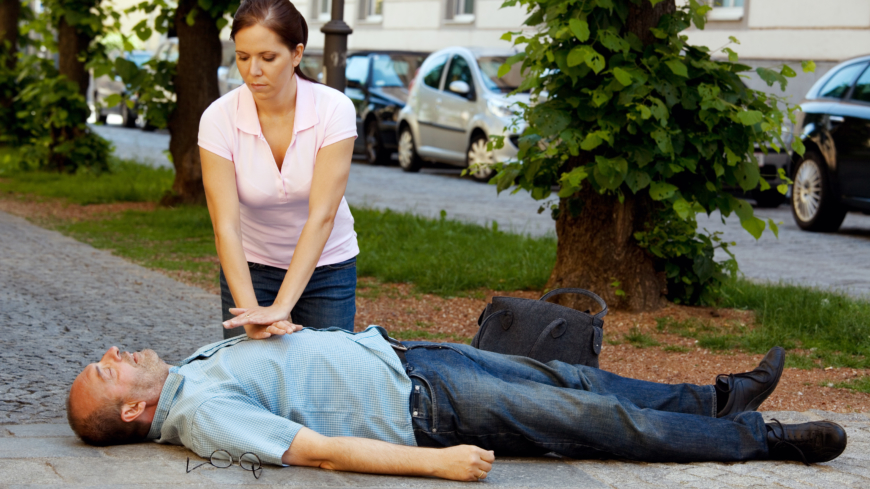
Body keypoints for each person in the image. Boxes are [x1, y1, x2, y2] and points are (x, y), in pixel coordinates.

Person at [66, 327, 847, 481]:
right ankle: (763, 437)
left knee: (580, 379)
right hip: (427, 405)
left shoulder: (189, 371)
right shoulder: (201, 416)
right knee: (605, 424)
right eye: (105, 374)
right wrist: (433, 464)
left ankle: (717, 397)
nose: (111, 355)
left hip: (413, 356)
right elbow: (314, 448)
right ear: (135, 414)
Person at [199, 0, 359, 340]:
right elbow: (225, 225)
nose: (253, 70)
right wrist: (253, 314)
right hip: (252, 268)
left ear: (296, 54)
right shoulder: (218, 118)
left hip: (327, 267)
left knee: (325, 378)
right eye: (243, 57)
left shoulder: (334, 109)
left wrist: (281, 305)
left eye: (268, 58)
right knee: (250, 379)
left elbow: (323, 215)